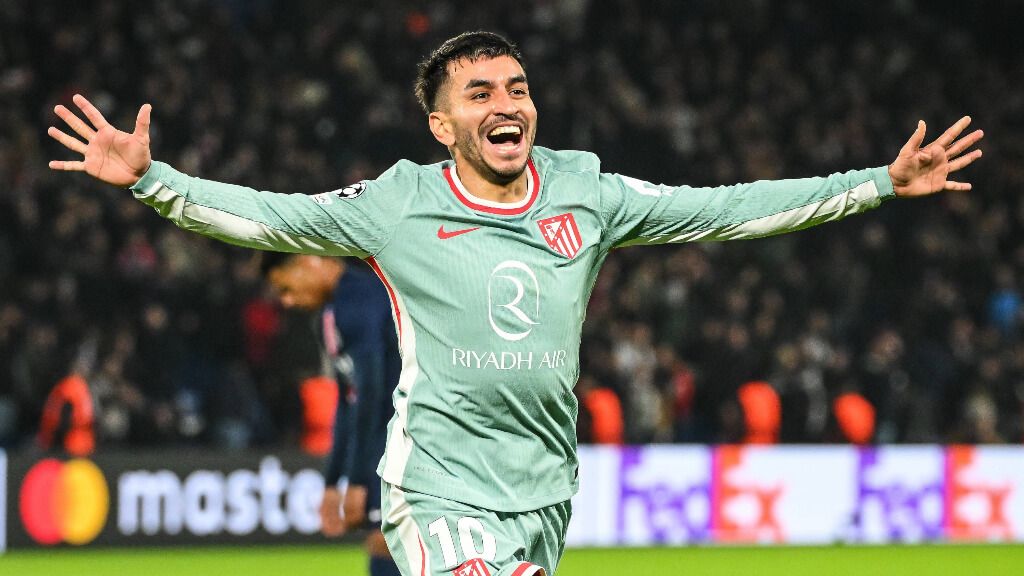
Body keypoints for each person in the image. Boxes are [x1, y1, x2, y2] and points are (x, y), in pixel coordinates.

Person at [47, 30, 983, 576]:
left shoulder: (587, 193)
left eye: (519, 88)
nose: (508, 103)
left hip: (543, 492)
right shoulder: (398, 204)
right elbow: (272, 218)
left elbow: (726, 211)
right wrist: (153, 182)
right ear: (441, 124)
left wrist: (877, 183)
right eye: (480, 92)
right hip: (436, 488)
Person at [261, 252, 401, 576]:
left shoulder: (361, 297)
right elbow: (349, 400)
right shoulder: (331, 312)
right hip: (390, 446)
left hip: (410, 442)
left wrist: (358, 480)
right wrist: (333, 480)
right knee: (387, 546)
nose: (287, 301)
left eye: (286, 288)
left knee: (388, 545)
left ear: (309, 260)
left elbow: (373, 395)